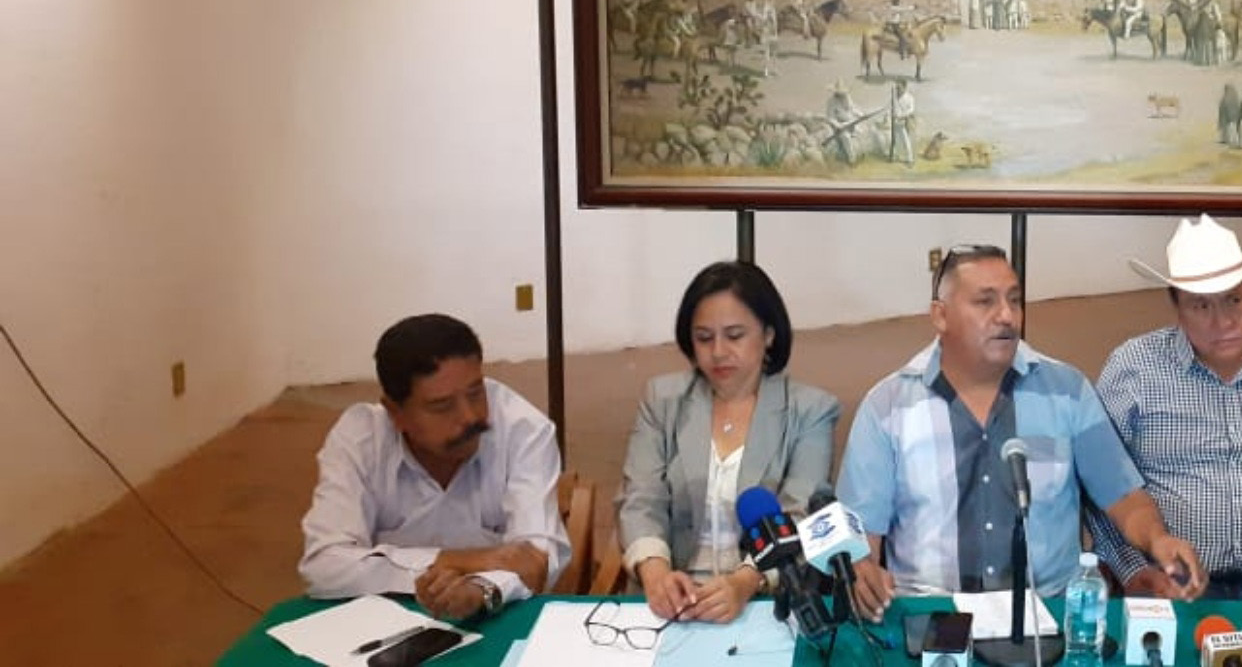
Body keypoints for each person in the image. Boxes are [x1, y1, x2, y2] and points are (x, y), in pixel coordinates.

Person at [837, 245, 1206, 620]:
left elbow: (1124, 497)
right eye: (985, 302)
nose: (1007, 316)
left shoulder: (1066, 392)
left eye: (1015, 300)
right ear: (940, 315)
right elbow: (860, 534)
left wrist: (1158, 539)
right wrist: (861, 567)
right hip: (929, 617)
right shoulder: (888, 407)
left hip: (1048, 615)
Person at [1089, 217, 1242, 601]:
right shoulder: (1133, 369)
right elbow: (1101, 486)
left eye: (1234, 299)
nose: (1222, 321)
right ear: (1176, 308)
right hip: (1167, 577)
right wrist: (1133, 571)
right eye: (1200, 305)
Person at [299, 314, 569, 619]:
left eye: (475, 393)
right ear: (394, 413)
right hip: (384, 623)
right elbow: (323, 567)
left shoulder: (523, 430)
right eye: (442, 407)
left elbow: (536, 561)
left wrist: (480, 589)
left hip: (497, 616)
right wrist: (467, 559)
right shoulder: (361, 440)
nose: (469, 416)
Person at [619, 261, 841, 623]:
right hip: (673, 602)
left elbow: (799, 513)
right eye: (704, 338)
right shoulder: (662, 400)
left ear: (769, 334)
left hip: (767, 599)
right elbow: (641, 497)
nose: (718, 352)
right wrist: (656, 572)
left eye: (735, 335)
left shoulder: (810, 409)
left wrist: (744, 582)